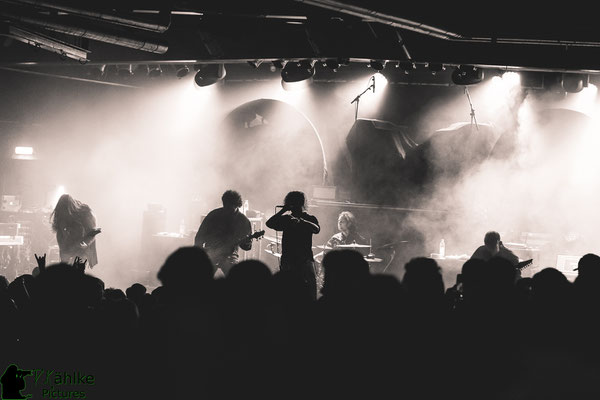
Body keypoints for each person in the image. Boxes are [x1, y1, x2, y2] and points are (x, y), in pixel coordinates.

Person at [266, 191, 320, 300]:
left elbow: (317, 229)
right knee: (287, 292)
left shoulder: (309, 218)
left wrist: (301, 221)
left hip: (304, 259)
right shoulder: (286, 219)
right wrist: (283, 210)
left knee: (310, 291)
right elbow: (269, 223)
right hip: (289, 260)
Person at [194, 190, 252, 276]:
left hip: (230, 256)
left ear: (237, 205)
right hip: (210, 252)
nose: (227, 209)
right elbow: (200, 235)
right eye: (225, 206)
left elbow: (247, 247)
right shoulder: (213, 215)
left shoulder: (243, 221)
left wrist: (246, 242)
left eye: (230, 207)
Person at [51, 194, 100, 268]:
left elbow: (92, 233)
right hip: (69, 248)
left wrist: (83, 244)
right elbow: (61, 238)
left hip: (82, 249)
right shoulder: (61, 217)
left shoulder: (84, 214)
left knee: (77, 269)